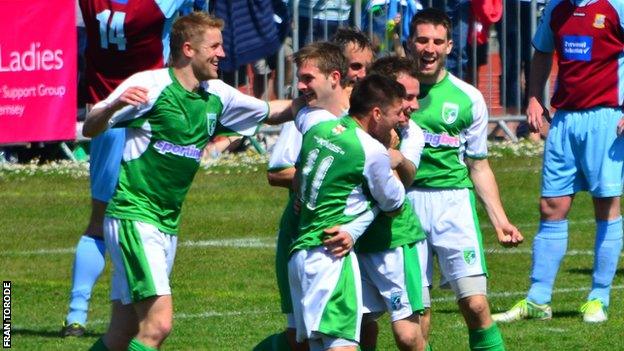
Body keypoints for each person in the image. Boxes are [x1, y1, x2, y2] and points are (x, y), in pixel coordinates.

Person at [84, 12, 291, 351]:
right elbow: (91, 127)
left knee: (122, 333)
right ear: (188, 49)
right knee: (158, 324)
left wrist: (323, 101)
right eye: (215, 46)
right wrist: (114, 106)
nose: (222, 54)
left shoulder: (217, 94)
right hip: (135, 216)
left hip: (166, 223)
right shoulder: (150, 86)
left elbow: (272, 112)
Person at [62, 0, 193, 337]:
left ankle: (76, 314)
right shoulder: (157, 4)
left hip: (105, 114)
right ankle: (142, 311)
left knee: (99, 220)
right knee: (148, 215)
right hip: (148, 114)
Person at [493, 0, 624, 324]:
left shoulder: (616, 5)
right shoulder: (556, 7)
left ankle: (598, 298)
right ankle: (538, 300)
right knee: (551, 205)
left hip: (607, 118)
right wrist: (534, 97)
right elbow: (541, 53)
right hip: (564, 120)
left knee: (606, 204)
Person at [406, 8, 523, 350]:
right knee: (418, 313)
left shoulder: (467, 97)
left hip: (453, 203)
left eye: (437, 41)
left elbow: (479, 165)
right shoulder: (391, 94)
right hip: (405, 205)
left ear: (449, 46)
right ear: (409, 43)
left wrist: (500, 220)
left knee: (474, 304)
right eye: (422, 40)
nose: (429, 48)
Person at [288, 74, 409, 351]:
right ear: (376, 114)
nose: (399, 121)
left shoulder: (316, 126)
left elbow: (300, 115)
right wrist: (392, 152)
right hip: (331, 257)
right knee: (342, 346)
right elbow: (394, 202)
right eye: (395, 113)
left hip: (300, 256)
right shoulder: (371, 151)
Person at [260, 41, 351, 351]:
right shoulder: (303, 119)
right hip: (303, 235)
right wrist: (313, 182)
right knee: (300, 336)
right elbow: (276, 172)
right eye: (301, 78)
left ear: (335, 77)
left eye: (307, 78)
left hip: (351, 239)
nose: (300, 86)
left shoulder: (361, 118)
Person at [352, 56, 428, 351]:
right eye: (406, 97)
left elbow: (402, 181)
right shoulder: (354, 124)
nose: (414, 106)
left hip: (396, 238)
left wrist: (394, 155)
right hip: (358, 241)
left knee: (408, 335)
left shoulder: (411, 132)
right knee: (357, 326)